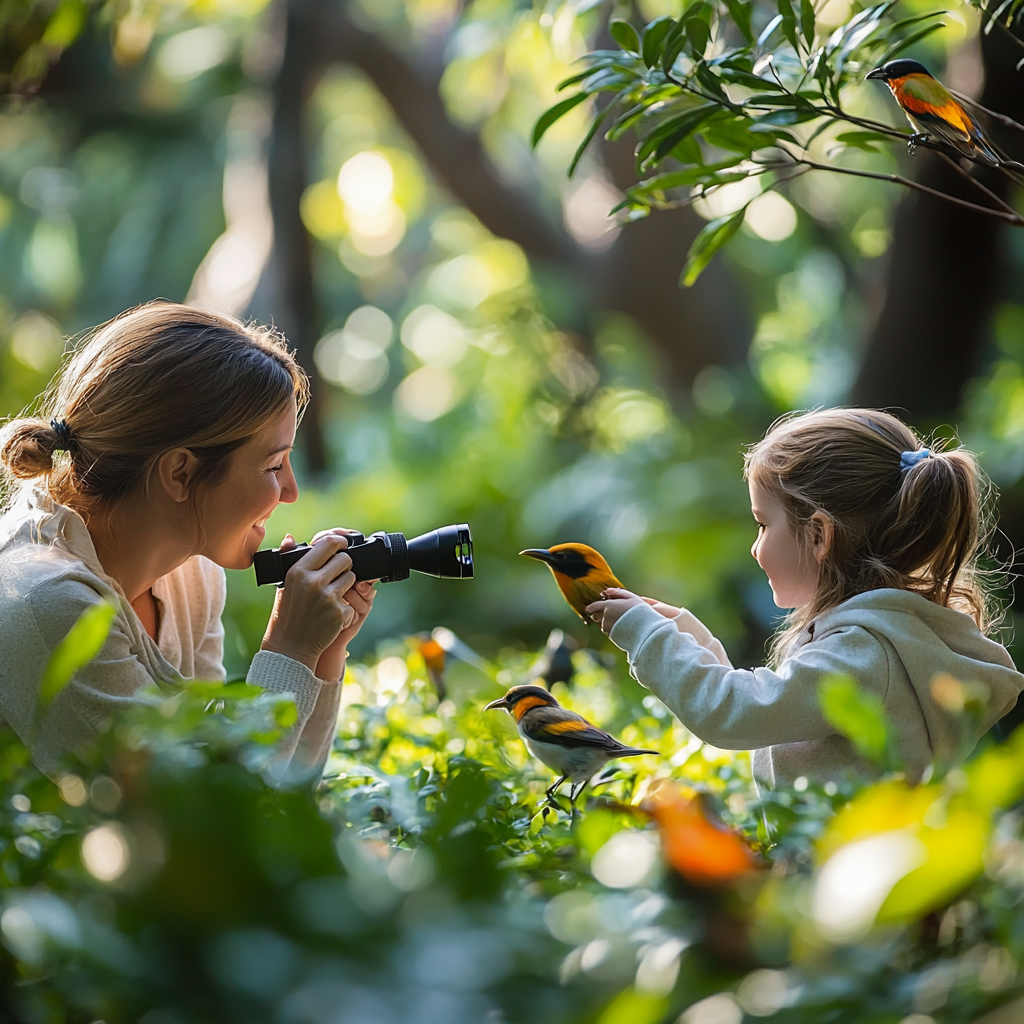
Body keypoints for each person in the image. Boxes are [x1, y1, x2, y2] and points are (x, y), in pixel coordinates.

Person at [0, 302, 376, 781]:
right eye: (272, 466)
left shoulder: (191, 573)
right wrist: (291, 647)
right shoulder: (45, 602)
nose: (290, 491)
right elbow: (193, 819)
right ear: (180, 473)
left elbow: (273, 797)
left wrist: (323, 653)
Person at [586, 408, 1024, 788]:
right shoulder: (884, 639)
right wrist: (691, 640)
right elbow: (770, 712)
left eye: (763, 524)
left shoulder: (863, 651)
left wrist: (648, 638)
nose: (756, 547)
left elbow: (735, 715)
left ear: (818, 535)